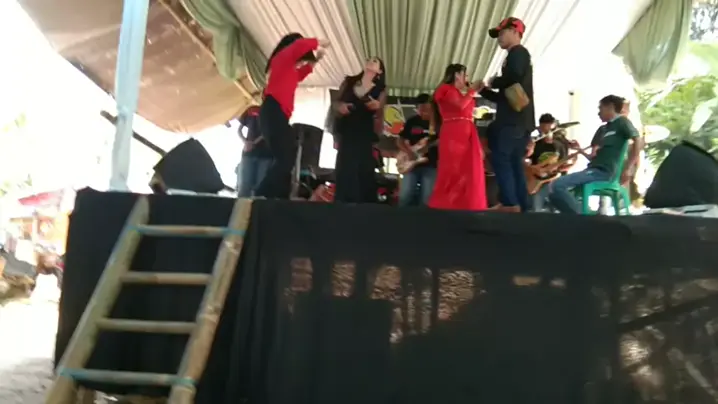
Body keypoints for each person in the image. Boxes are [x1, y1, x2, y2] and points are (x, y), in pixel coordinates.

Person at [255, 33, 330, 199]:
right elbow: (298, 46)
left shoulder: (288, 70)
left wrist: (316, 59)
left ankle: (279, 196)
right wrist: (318, 42)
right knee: (285, 158)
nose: (301, 63)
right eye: (301, 59)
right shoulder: (281, 59)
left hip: (277, 114)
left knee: (286, 157)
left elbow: (302, 73)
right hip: (273, 111)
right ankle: (261, 193)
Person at [546, 95, 644, 214]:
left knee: (557, 185)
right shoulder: (603, 129)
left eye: (600, 108)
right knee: (553, 189)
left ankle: (583, 216)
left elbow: (637, 140)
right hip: (593, 170)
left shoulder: (622, 122)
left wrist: (629, 168)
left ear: (610, 107)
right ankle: (579, 213)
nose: (598, 113)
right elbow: (592, 157)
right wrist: (579, 149)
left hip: (605, 172)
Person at [480, 17, 535, 213]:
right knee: (514, 163)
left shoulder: (518, 53)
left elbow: (513, 77)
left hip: (512, 122)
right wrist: (483, 91)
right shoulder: (516, 56)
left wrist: (494, 81)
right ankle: (520, 204)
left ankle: (510, 203)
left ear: (515, 32)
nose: (499, 38)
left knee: (501, 159)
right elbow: (505, 97)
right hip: (518, 119)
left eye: (502, 33)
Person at [428, 64, 487, 211]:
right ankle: (447, 203)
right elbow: (460, 106)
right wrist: (472, 91)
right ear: (457, 75)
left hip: (468, 131)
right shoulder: (445, 89)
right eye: (465, 75)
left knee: (469, 169)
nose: (467, 78)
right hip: (454, 131)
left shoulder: (462, 93)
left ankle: (465, 204)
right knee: (453, 167)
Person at [332, 57, 387, 203]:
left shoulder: (380, 89)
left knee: (362, 170)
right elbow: (335, 103)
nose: (370, 61)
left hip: (365, 133)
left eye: (375, 61)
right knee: (345, 168)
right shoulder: (349, 81)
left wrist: (376, 107)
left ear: (379, 71)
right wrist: (340, 107)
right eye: (369, 59)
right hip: (347, 131)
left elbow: (380, 114)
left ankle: (361, 207)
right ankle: (342, 203)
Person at [526, 114, 575, 211]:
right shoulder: (536, 144)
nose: (546, 134)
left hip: (556, 180)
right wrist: (528, 151)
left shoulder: (560, 145)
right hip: (538, 181)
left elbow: (564, 166)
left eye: (549, 130)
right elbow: (528, 163)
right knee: (534, 201)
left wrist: (564, 167)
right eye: (543, 130)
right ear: (539, 128)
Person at [396, 93, 438, 206]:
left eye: (426, 109)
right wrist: (409, 152)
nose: (423, 112)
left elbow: (444, 141)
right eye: (421, 110)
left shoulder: (439, 123)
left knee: (427, 198)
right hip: (411, 164)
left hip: (431, 165)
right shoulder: (412, 121)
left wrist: (429, 146)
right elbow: (399, 140)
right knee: (405, 195)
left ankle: (422, 217)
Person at [235, 105, 272, 197]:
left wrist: (252, 143)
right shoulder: (250, 110)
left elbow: (268, 131)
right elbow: (239, 130)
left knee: (259, 184)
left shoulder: (270, 111)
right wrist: (246, 142)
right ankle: (243, 203)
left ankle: (256, 204)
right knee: (245, 183)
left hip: (264, 153)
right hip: (250, 152)